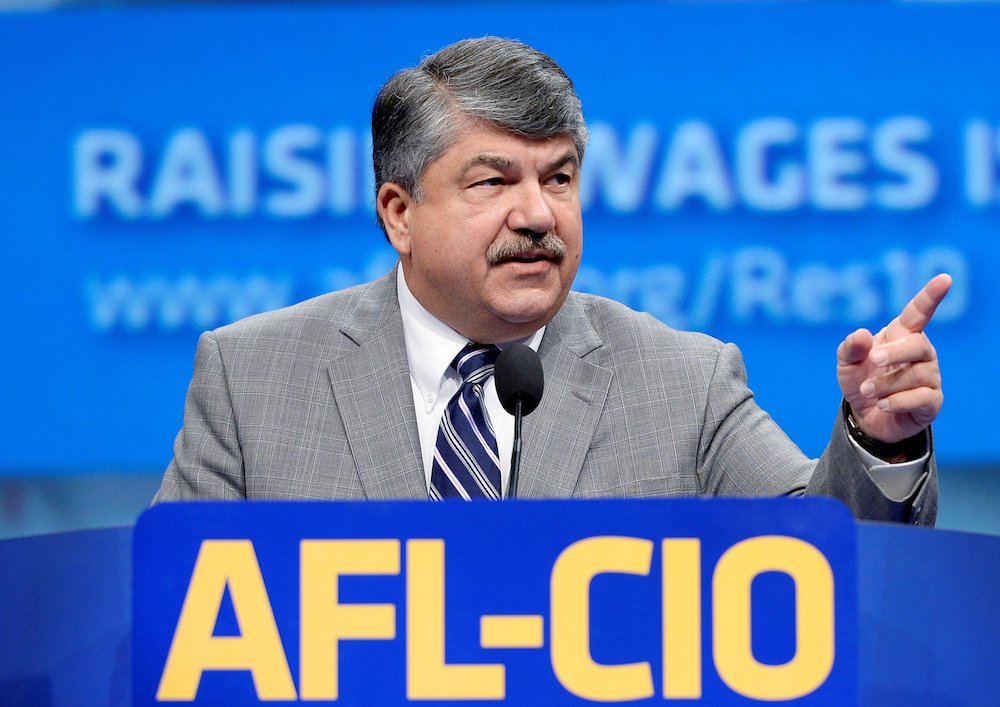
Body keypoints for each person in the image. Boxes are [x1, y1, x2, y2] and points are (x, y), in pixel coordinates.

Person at [154, 37, 950, 524]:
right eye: (494, 182)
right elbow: (166, 613)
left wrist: (880, 439)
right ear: (399, 212)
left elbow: (822, 564)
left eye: (559, 178)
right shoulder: (250, 379)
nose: (538, 214)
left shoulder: (685, 380)